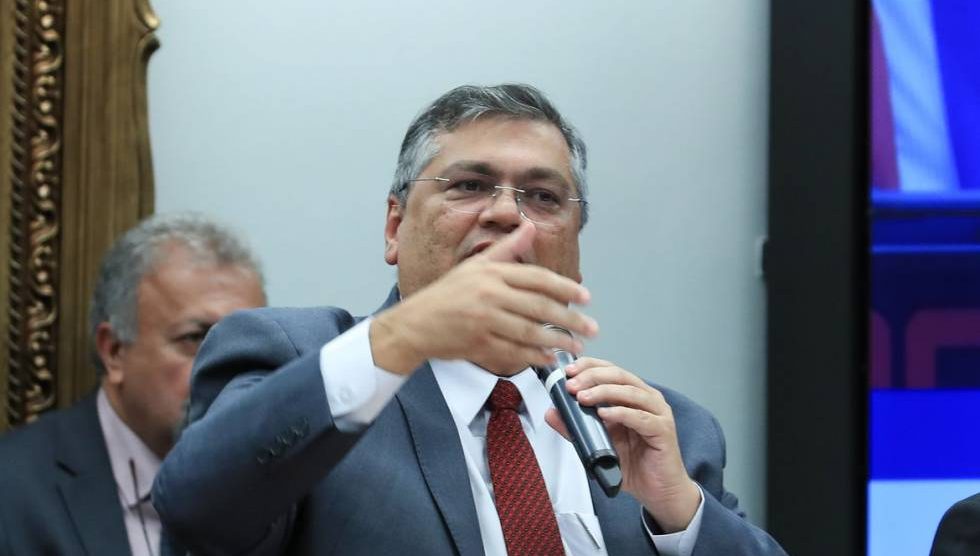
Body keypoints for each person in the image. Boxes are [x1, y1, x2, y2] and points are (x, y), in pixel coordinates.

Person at [153, 84, 786, 555]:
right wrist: (403, 336)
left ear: (575, 250)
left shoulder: (658, 430)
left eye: (543, 197)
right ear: (395, 227)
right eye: (470, 186)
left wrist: (680, 512)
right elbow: (195, 508)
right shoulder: (297, 360)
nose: (507, 215)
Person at [0, 214, 266, 556]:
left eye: (247, 342)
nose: (229, 369)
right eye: (196, 338)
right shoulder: (13, 490)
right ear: (114, 351)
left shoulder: (291, 483)